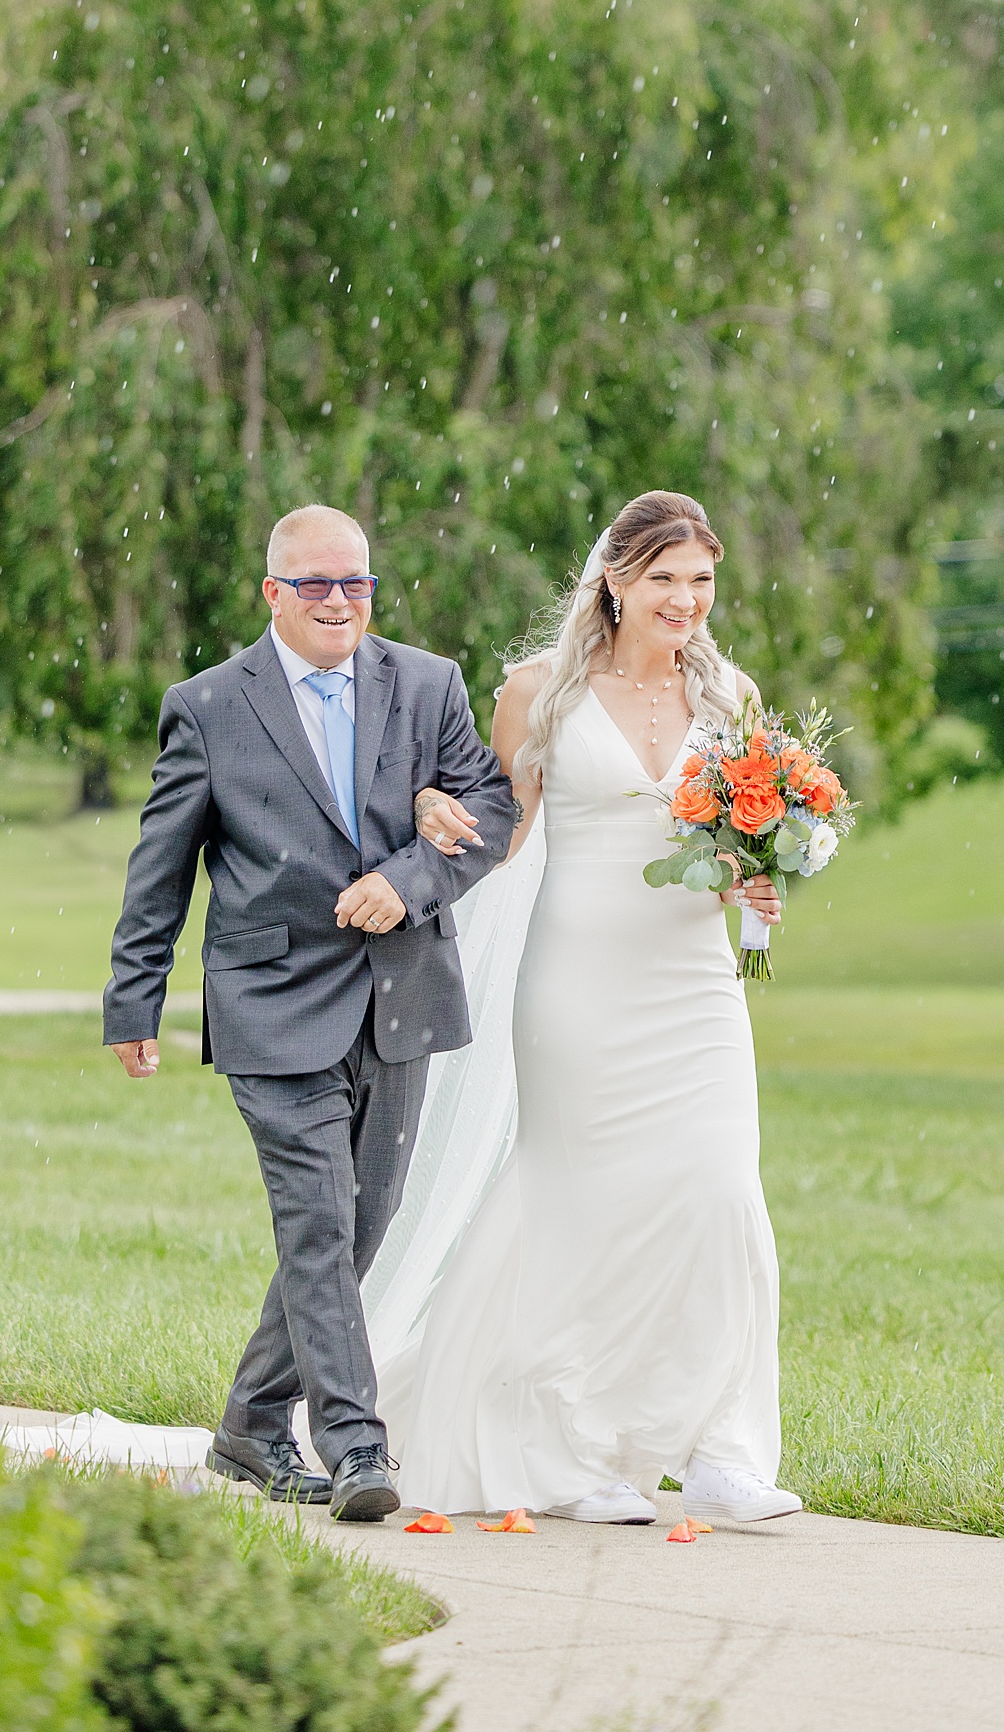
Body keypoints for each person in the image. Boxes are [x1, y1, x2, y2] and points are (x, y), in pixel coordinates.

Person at [364, 489, 805, 1526]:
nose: (684, 600)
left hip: (695, 987)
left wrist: (756, 887)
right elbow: (498, 833)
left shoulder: (730, 696)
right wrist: (425, 823)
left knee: (717, 1197)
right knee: (579, 1202)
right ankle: (563, 1448)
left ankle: (717, 1449)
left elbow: (739, 841)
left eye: (699, 581)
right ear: (613, 580)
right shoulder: (540, 693)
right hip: (577, 985)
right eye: (662, 580)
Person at [103, 504, 519, 1522]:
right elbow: (161, 867)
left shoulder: (427, 686)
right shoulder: (205, 707)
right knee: (319, 1224)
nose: (340, 602)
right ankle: (353, 1445)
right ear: (272, 593)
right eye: (316, 585)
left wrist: (411, 878)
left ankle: (249, 1422)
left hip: (399, 998)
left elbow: (491, 810)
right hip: (271, 1001)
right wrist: (134, 994)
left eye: (357, 584)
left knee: (359, 1228)